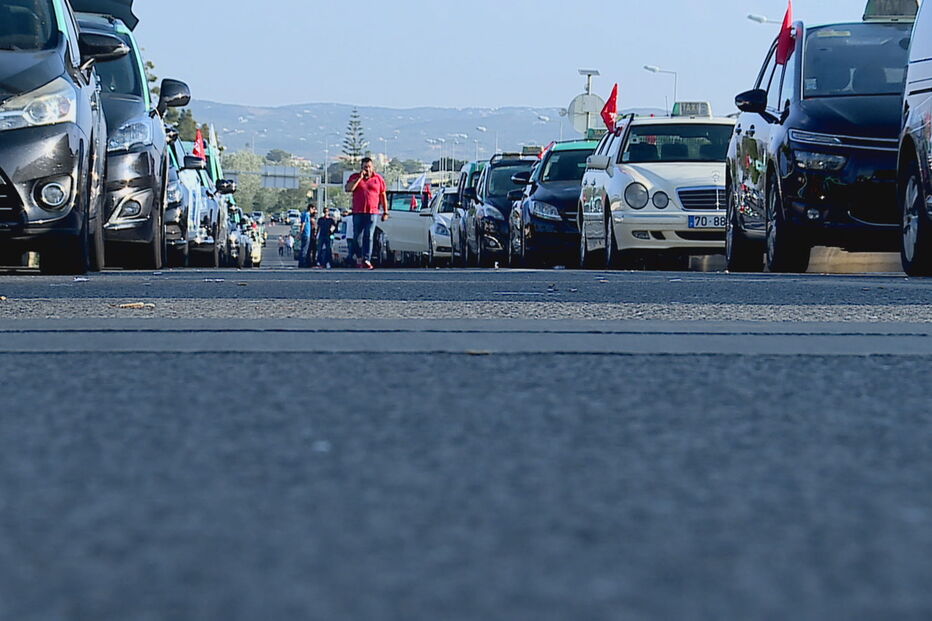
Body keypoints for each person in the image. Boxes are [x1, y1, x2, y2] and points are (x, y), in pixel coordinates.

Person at [344, 157, 388, 269]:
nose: (367, 169)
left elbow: (383, 195)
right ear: (361, 168)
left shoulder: (378, 179)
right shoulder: (354, 177)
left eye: (369, 167)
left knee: (369, 236)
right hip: (358, 212)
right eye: (365, 167)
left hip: (372, 212)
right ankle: (359, 256)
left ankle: (366, 259)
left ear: (372, 167)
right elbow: (348, 189)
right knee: (356, 237)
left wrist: (385, 211)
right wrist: (359, 178)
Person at [298, 203, 317, 268]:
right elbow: (303, 224)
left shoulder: (308, 215)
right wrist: (300, 233)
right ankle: (302, 263)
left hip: (308, 234)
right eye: (313, 209)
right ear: (310, 208)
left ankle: (304, 262)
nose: (313, 211)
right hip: (306, 234)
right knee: (304, 249)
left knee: (305, 249)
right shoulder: (306, 214)